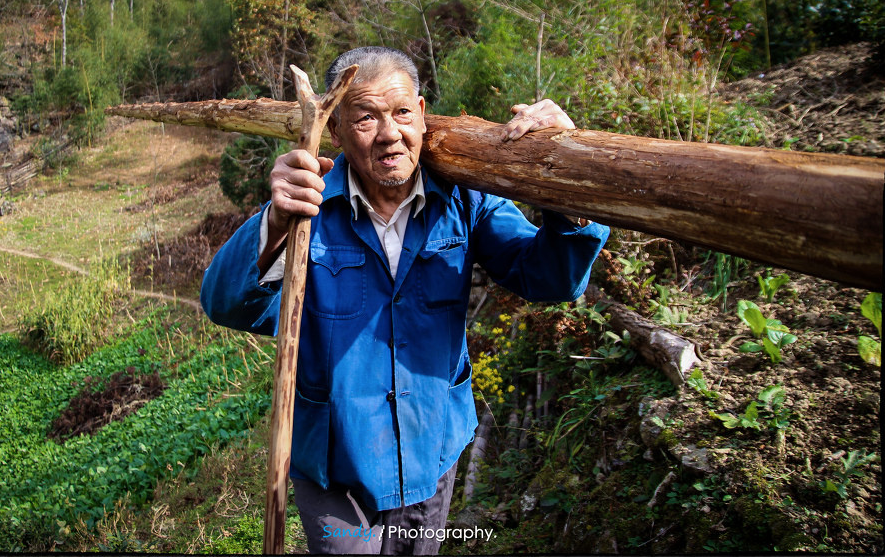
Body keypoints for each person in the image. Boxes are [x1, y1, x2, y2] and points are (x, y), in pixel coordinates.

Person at [200, 46, 609, 554]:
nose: (390, 134)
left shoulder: (464, 199)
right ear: (337, 131)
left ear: (421, 111)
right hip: (334, 467)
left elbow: (551, 278)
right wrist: (274, 222)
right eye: (366, 117)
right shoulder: (307, 210)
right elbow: (226, 303)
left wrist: (565, 170)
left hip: (431, 450)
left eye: (402, 113)